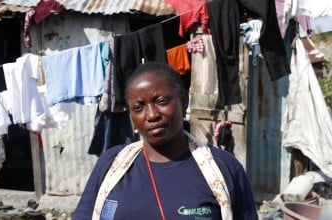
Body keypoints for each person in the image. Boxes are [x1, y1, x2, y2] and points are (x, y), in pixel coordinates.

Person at [72, 62, 258, 220]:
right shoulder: (111, 164)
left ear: (183, 101)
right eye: (138, 107)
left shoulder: (223, 169)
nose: (152, 115)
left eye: (161, 101)